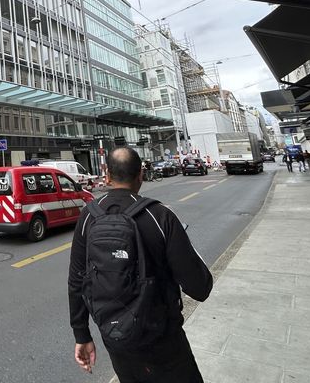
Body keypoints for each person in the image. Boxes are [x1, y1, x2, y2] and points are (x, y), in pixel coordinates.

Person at [68, 147, 213, 382]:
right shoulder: (160, 215)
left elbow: (76, 280)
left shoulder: (88, 217)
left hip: (116, 340)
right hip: (163, 341)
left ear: (107, 176)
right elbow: (199, 287)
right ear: (141, 176)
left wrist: (82, 335)